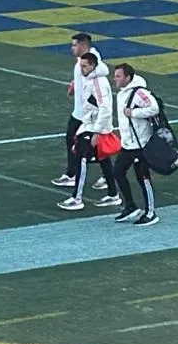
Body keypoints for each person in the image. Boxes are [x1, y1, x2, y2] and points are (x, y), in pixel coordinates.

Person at [58, 52, 122, 211]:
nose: (82, 69)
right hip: (91, 125)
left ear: (93, 66)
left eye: (84, 66)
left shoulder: (98, 83)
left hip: (93, 127)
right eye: (80, 66)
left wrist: (97, 132)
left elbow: (105, 109)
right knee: (104, 160)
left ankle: (77, 198)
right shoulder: (92, 80)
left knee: (81, 159)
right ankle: (113, 195)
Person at [52, 33, 110, 193]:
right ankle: (73, 174)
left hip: (88, 115)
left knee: (92, 147)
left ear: (83, 45)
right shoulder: (81, 61)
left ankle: (102, 177)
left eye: (75, 45)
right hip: (79, 112)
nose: (72, 48)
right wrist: (74, 84)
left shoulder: (92, 60)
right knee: (75, 142)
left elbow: (102, 71)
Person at [112, 62, 161, 227]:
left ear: (128, 77)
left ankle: (151, 212)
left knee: (144, 179)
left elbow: (154, 108)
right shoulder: (122, 94)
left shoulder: (139, 92)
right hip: (128, 144)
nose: (115, 79)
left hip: (141, 145)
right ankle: (130, 206)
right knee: (117, 172)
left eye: (118, 76)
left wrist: (133, 113)